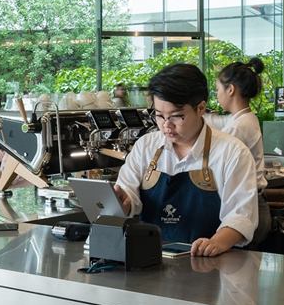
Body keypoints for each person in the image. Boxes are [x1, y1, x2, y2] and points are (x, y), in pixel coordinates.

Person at [112, 64, 258, 256]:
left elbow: (240, 215)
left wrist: (216, 242)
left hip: (208, 261)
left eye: (176, 117)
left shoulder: (232, 152)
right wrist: (124, 201)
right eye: (159, 116)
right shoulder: (146, 146)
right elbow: (128, 191)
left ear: (201, 108)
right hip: (152, 257)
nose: (166, 126)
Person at [206, 58, 271, 247]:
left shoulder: (239, 126)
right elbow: (215, 121)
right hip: (256, 204)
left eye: (218, 89)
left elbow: (216, 158)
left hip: (248, 209)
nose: (217, 95)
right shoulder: (245, 118)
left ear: (231, 90)